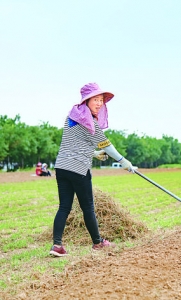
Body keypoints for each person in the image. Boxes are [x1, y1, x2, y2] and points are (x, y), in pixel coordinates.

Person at [50, 82, 135, 257]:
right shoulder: (90, 122)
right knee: (88, 206)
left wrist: (94, 153)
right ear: (87, 100)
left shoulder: (72, 116)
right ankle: (98, 243)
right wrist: (123, 161)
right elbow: (107, 145)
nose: (99, 103)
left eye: (101, 100)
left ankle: (57, 245)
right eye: (95, 99)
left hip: (62, 167)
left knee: (64, 206)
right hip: (79, 168)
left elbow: (76, 142)